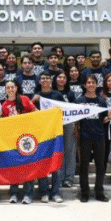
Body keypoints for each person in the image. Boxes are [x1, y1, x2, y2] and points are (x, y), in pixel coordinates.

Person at [75, 75, 111, 202]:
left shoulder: (101, 102)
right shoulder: (79, 101)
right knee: (83, 166)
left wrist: (109, 117)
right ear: (85, 85)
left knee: (100, 166)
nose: (91, 85)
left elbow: (104, 119)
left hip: (100, 136)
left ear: (96, 85)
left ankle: (99, 192)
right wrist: (76, 131)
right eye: (88, 82)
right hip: (85, 137)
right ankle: (84, 193)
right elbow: (75, 119)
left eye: (93, 83)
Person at [1, 80, 36, 203]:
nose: (10, 89)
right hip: (12, 139)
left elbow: (35, 112)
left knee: (28, 165)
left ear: (16, 88)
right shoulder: (4, 105)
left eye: (12, 87)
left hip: (26, 138)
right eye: (8, 87)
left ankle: (28, 194)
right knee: (13, 166)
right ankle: (13, 193)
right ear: (5, 90)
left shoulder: (24, 99)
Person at [32, 71, 65, 202]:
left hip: (56, 133)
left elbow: (66, 111)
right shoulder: (36, 96)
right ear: (40, 82)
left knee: (56, 162)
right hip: (41, 134)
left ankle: (56, 192)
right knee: (42, 162)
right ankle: (44, 192)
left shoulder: (57, 95)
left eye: (47, 78)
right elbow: (27, 112)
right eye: (43, 79)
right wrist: (32, 101)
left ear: (51, 81)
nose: (45, 80)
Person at [54, 71, 77, 189]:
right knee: (58, 150)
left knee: (70, 151)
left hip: (68, 124)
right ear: (55, 79)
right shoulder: (51, 92)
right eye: (59, 77)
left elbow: (76, 110)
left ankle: (69, 178)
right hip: (54, 124)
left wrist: (76, 126)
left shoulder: (71, 93)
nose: (62, 79)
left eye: (64, 77)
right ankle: (59, 177)